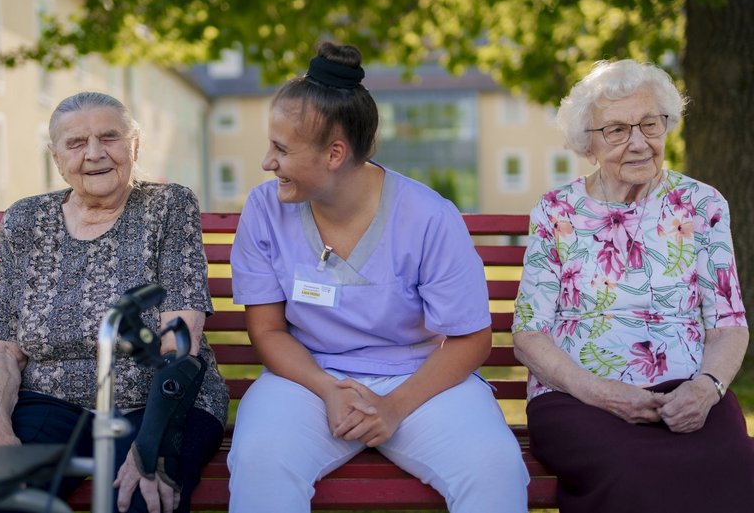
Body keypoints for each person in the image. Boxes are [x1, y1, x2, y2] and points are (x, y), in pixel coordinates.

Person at [227, 41, 529, 513]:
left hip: (421, 381)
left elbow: (471, 339)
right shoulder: (265, 210)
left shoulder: (428, 217)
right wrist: (327, 389)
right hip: (308, 381)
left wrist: (393, 407)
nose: (268, 162)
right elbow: (266, 330)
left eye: (281, 149)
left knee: (495, 469)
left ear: (334, 154)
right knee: (260, 461)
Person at [512, 59, 754, 513]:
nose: (640, 142)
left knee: (734, 463)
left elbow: (728, 324)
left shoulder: (702, 204)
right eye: (618, 130)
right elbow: (527, 335)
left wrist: (707, 387)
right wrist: (599, 392)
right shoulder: (556, 211)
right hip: (579, 395)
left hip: (687, 389)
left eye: (650, 124)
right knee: (628, 471)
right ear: (589, 143)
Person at [0, 92, 229, 513]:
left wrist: (153, 443)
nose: (95, 154)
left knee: (143, 500)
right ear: (56, 157)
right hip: (50, 399)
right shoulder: (25, 221)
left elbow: (179, 339)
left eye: (110, 138)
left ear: (134, 145)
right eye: (76, 143)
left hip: (154, 400)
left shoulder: (168, 207)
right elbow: (3, 348)